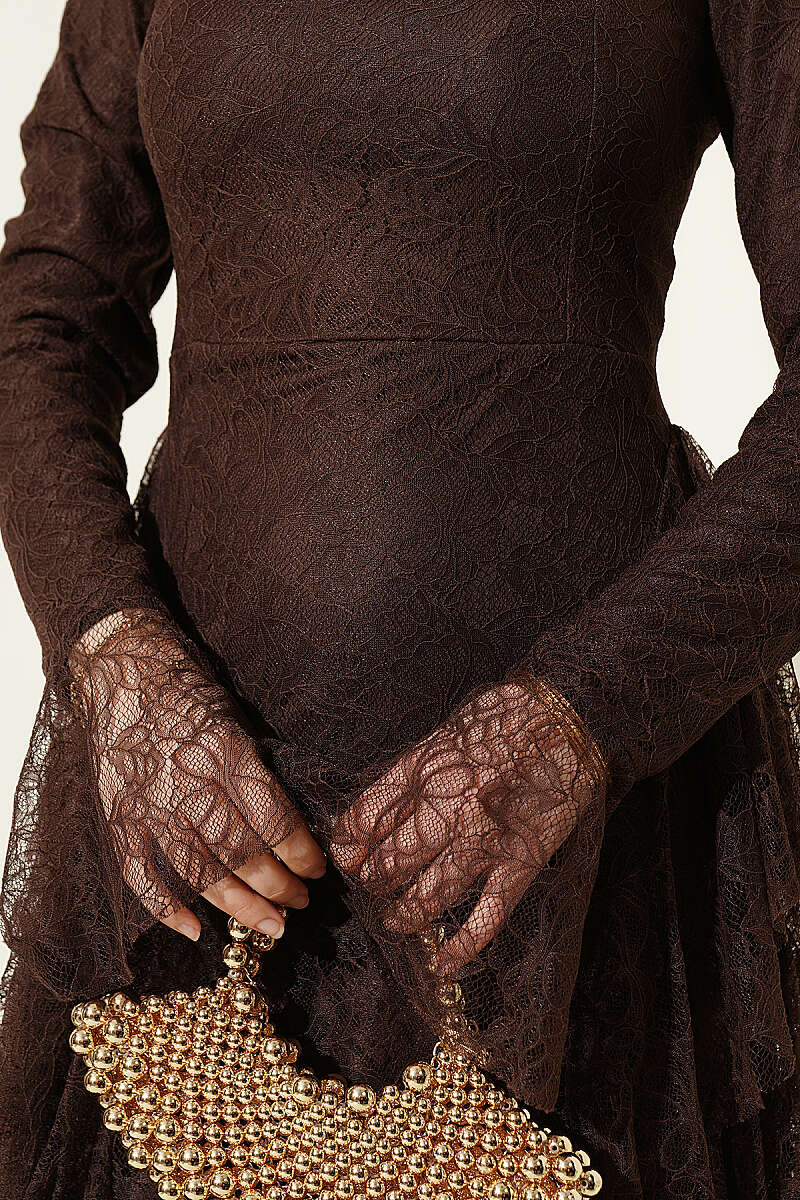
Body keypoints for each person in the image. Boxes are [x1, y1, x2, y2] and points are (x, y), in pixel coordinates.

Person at [0, 0, 799, 1195]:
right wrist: (112, 650)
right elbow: (43, 319)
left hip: (582, 867)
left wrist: (581, 713)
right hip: (189, 831)